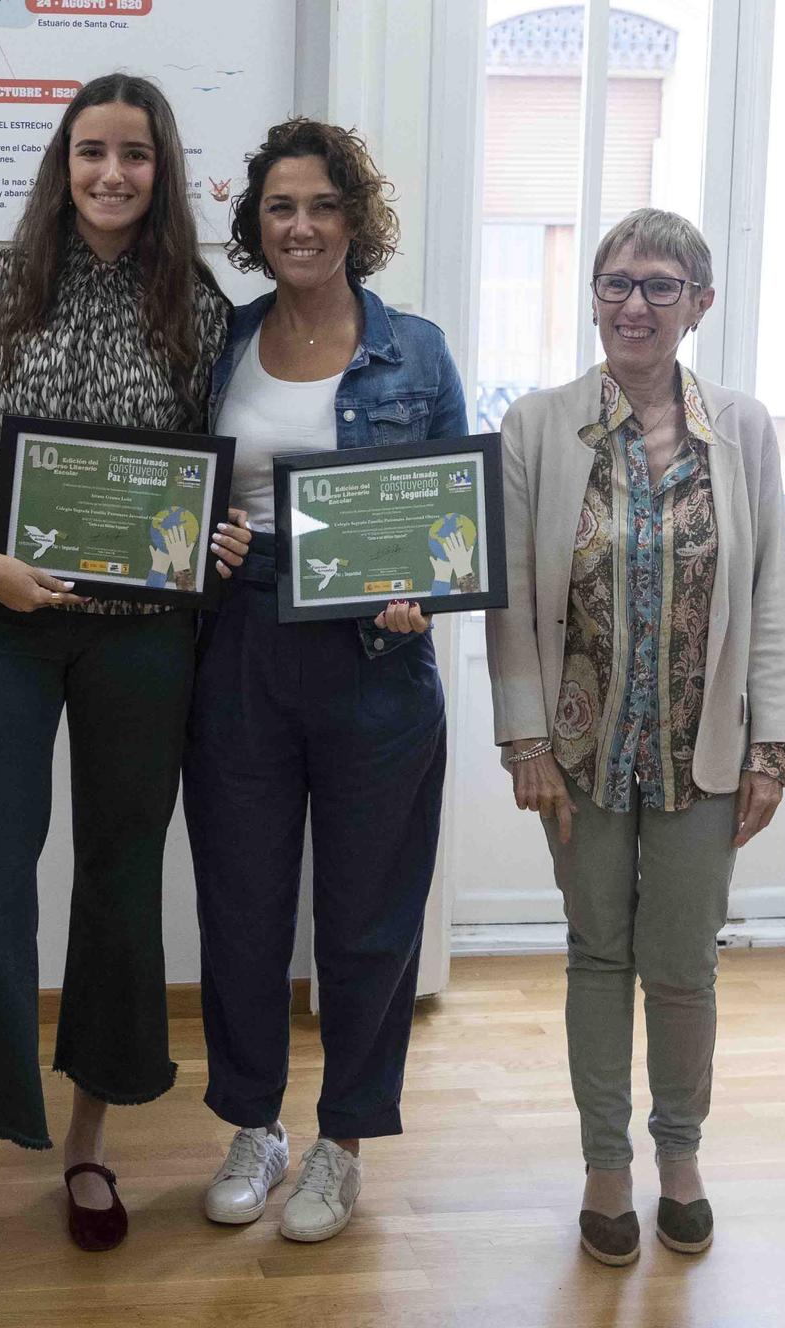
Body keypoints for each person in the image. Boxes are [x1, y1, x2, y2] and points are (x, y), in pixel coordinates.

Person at [0, 73, 245, 1326]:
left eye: (133, 156)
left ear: (160, 171)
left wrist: (217, 540)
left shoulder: (196, 309)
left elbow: (216, 491)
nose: (110, 174)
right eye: (90, 152)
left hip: (141, 644)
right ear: (61, 161)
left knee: (116, 883)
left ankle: (90, 1146)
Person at [484, 207, 785, 1265]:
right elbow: (513, 603)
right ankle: (604, 1164)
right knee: (594, 953)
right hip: (578, 752)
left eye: (660, 285)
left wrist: (771, 747)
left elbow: (767, 598)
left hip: (699, 751)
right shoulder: (537, 426)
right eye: (615, 282)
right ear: (593, 298)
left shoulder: (741, 430)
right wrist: (522, 740)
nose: (633, 303)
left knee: (680, 964)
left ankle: (681, 1156)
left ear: (697, 304)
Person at [183, 118, 466, 1245]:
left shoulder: (419, 353)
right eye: (279, 209)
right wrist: (197, 539)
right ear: (256, 226)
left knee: (366, 917)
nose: (300, 227)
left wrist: (422, 593)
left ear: (355, 220)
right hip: (240, 653)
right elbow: (183, 491)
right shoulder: (221, 342)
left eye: (322, 207)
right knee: (242, 908)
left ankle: (341, 1141)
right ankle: (252, 1123)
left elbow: (454, 527)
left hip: (374, 662)